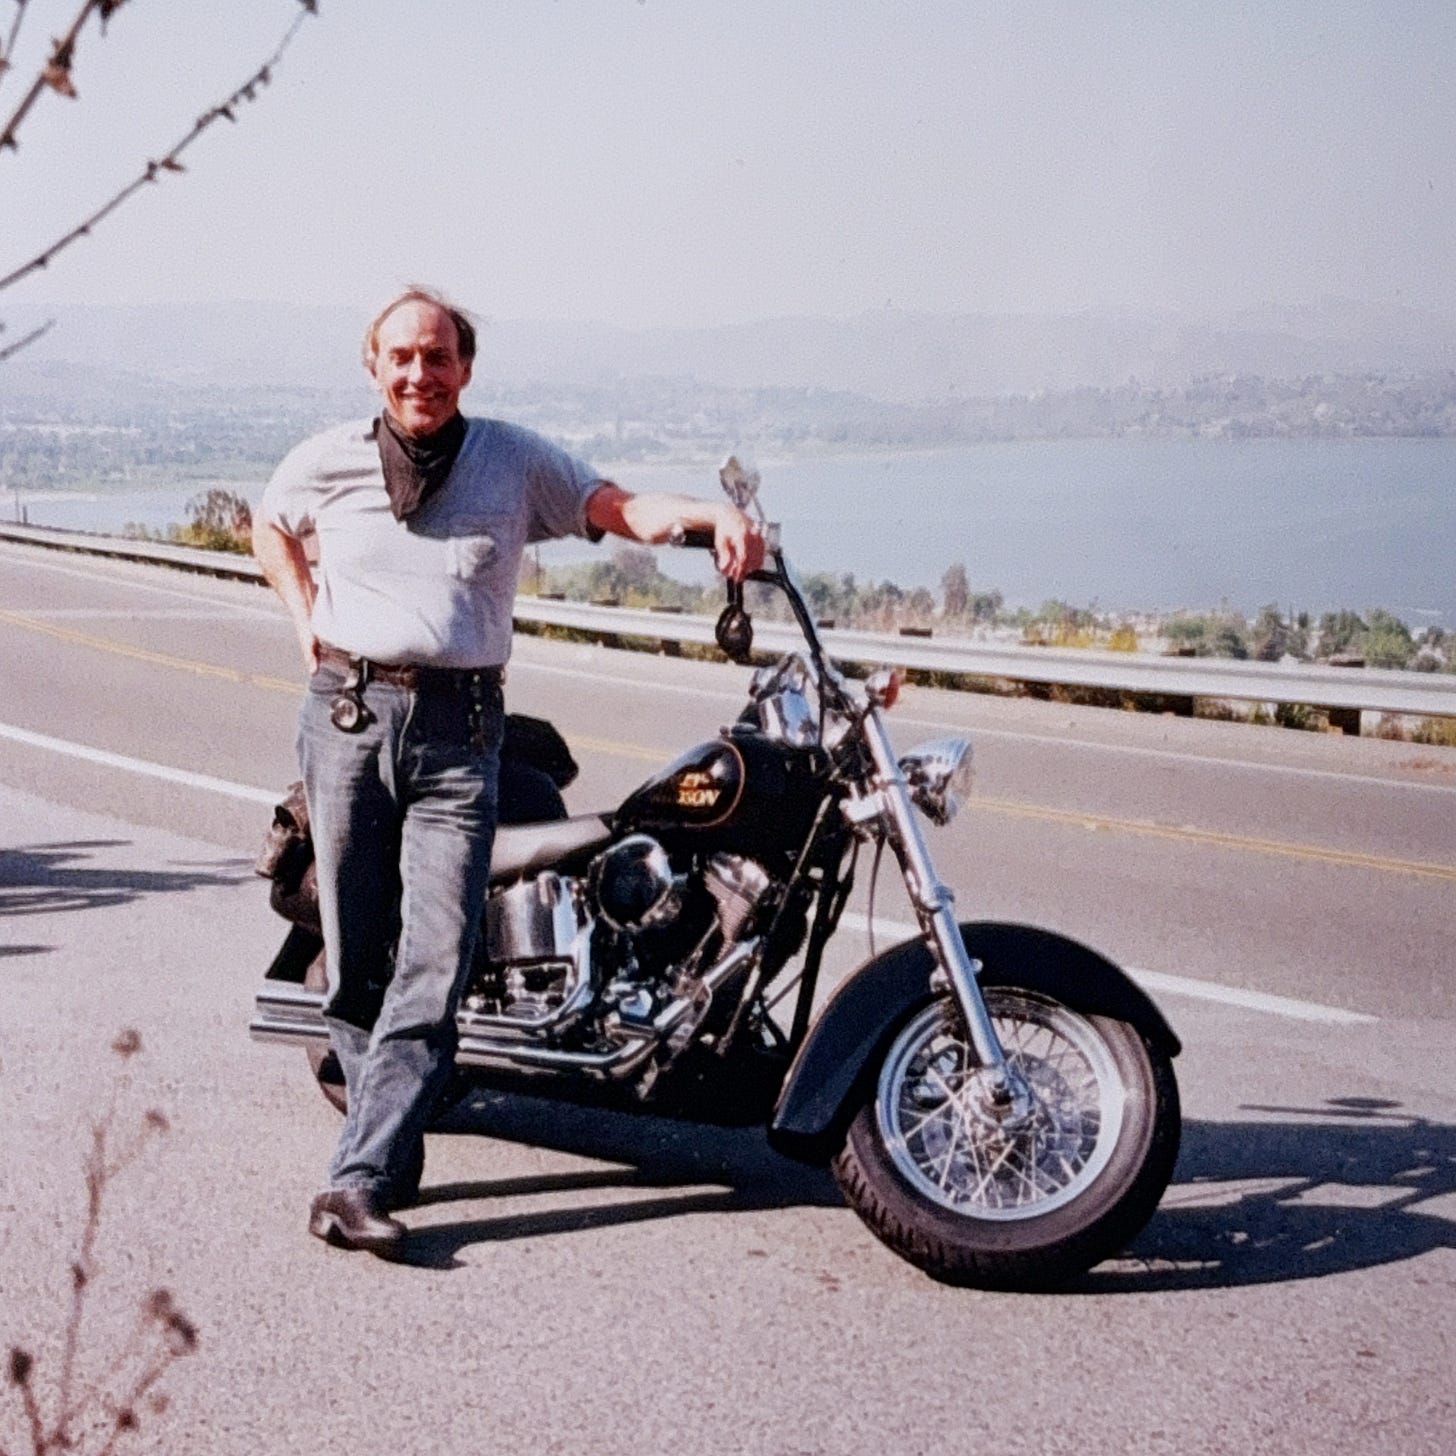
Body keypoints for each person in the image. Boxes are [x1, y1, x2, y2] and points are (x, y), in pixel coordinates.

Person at [253, 287, 762, 1257]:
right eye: (400, 357)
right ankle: (381, 1147)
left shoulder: (513, 459)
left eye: (437, 356)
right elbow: (268, 524)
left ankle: (352, 1179)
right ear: (372, 366)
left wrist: (704, 516)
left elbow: (616, 507)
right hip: (348, 716)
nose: (419, 374)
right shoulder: (326, 458)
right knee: (359, 959)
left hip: (462, 732)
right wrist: (303, 615)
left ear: (466, 367)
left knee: (436, 960)